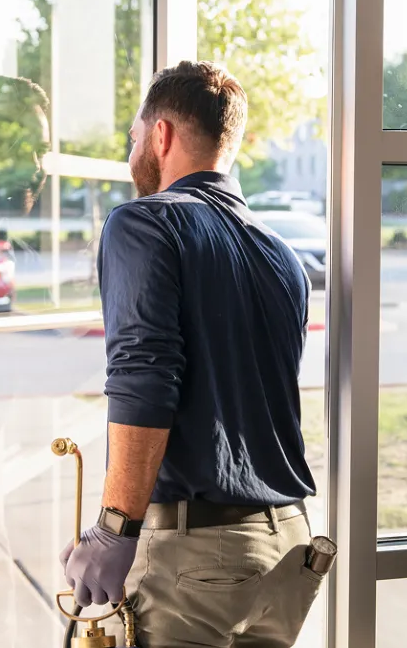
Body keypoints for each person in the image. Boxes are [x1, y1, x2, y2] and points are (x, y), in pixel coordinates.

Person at [60, 60, 322, 647]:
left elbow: (142, 378)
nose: (133, 153)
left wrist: (114, 531)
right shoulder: (284, 258)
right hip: (287, 549)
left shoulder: (143, 224)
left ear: (161, 135)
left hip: (199, 559)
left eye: (134, 137)